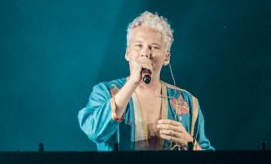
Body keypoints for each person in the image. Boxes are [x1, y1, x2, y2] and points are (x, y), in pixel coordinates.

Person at [78, 11, 214, 151]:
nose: (145, 53)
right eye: (138, 45)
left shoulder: (187, 101)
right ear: (127, 53)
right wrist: (133, 82)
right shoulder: (104, 92)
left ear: (166, 57)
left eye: (154, 47)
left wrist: (190, 143)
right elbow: (94, 131)